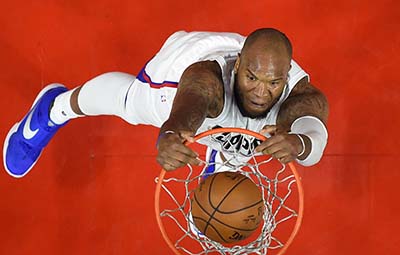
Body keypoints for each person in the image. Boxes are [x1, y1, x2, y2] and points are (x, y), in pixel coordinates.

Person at [3, 28, 329, 178]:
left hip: (235, 89)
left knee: (257, 135)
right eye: (252, 79)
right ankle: (54, 108)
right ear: (240, 65)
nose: (261, 92)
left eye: (273, 83)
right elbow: (189, 104)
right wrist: (170, 135)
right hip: (182, 71)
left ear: (286, 78)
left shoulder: (297, 93)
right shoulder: (207, 79)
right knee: (131, 104)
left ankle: (225, 152)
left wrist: (298, 143)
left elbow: (314, 136)